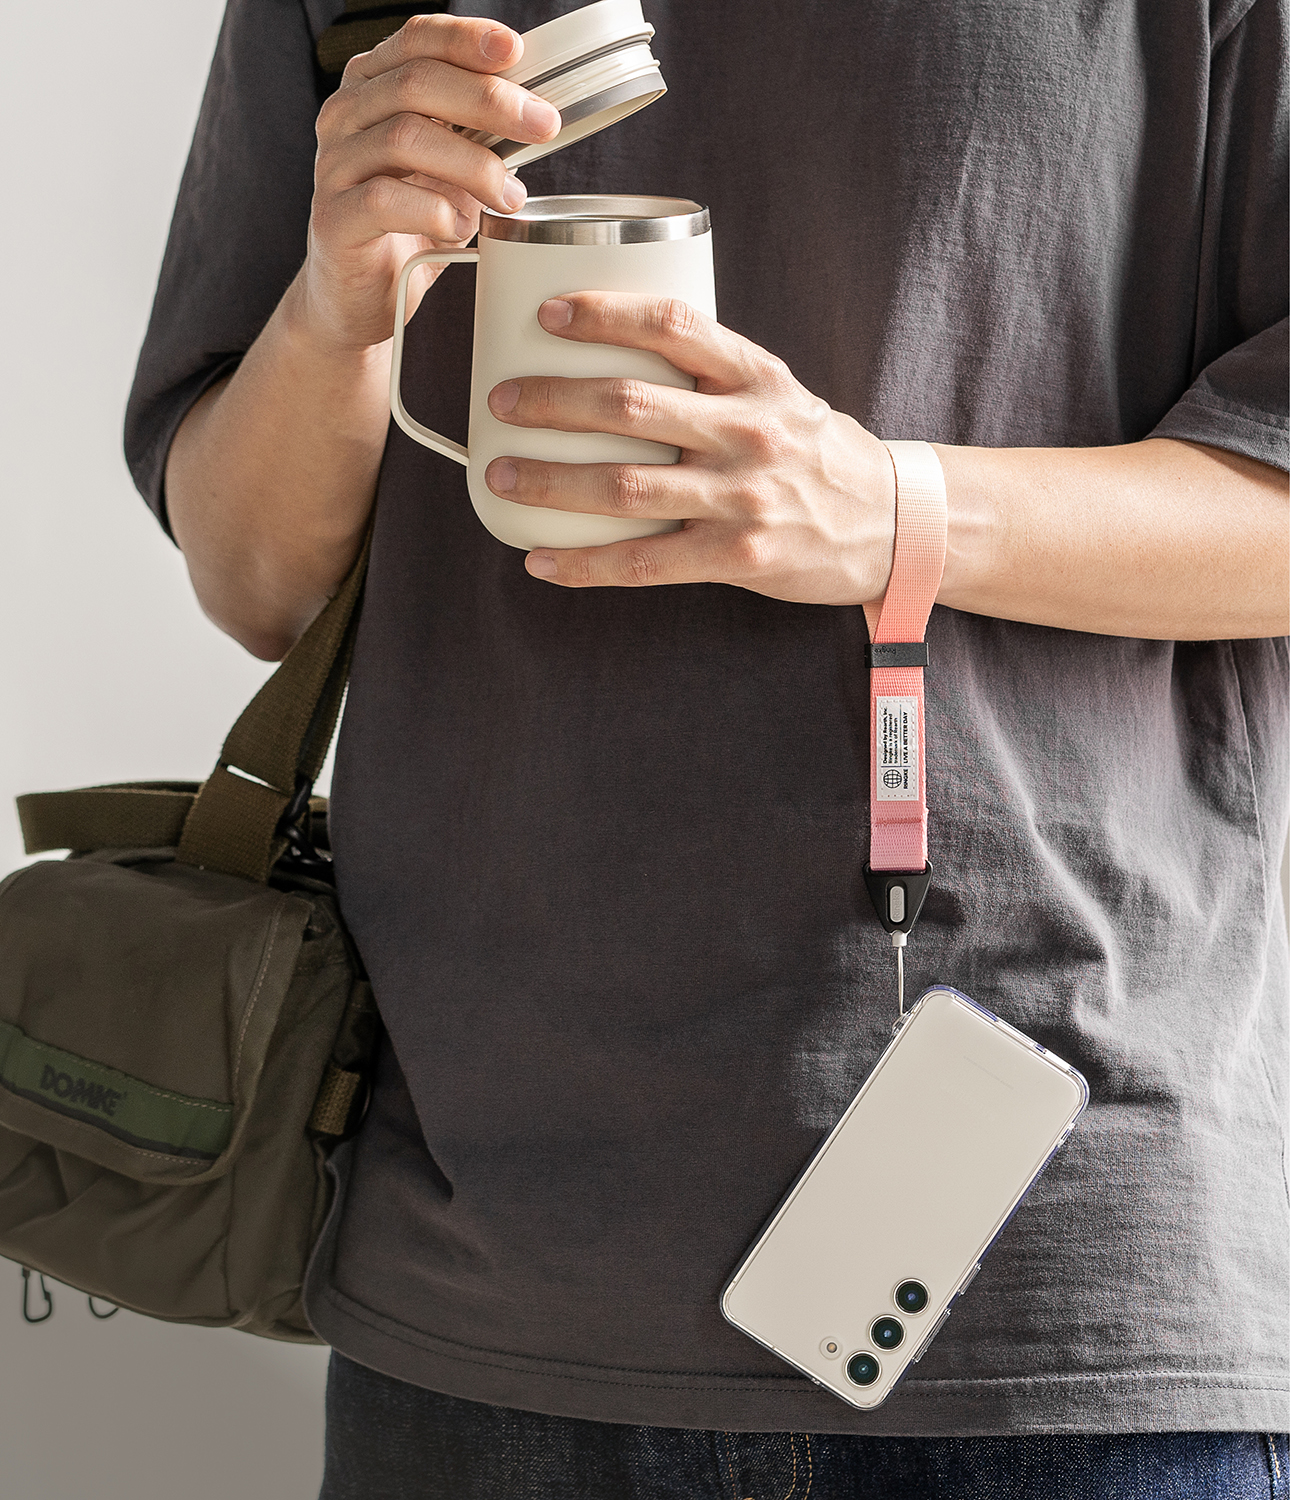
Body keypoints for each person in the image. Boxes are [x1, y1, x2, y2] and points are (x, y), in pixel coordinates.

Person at [125, 1, 1289, 1495]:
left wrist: (894, 511)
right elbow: (255, 580)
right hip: (480, 1269)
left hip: (1057, 1278)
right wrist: (335, 306)